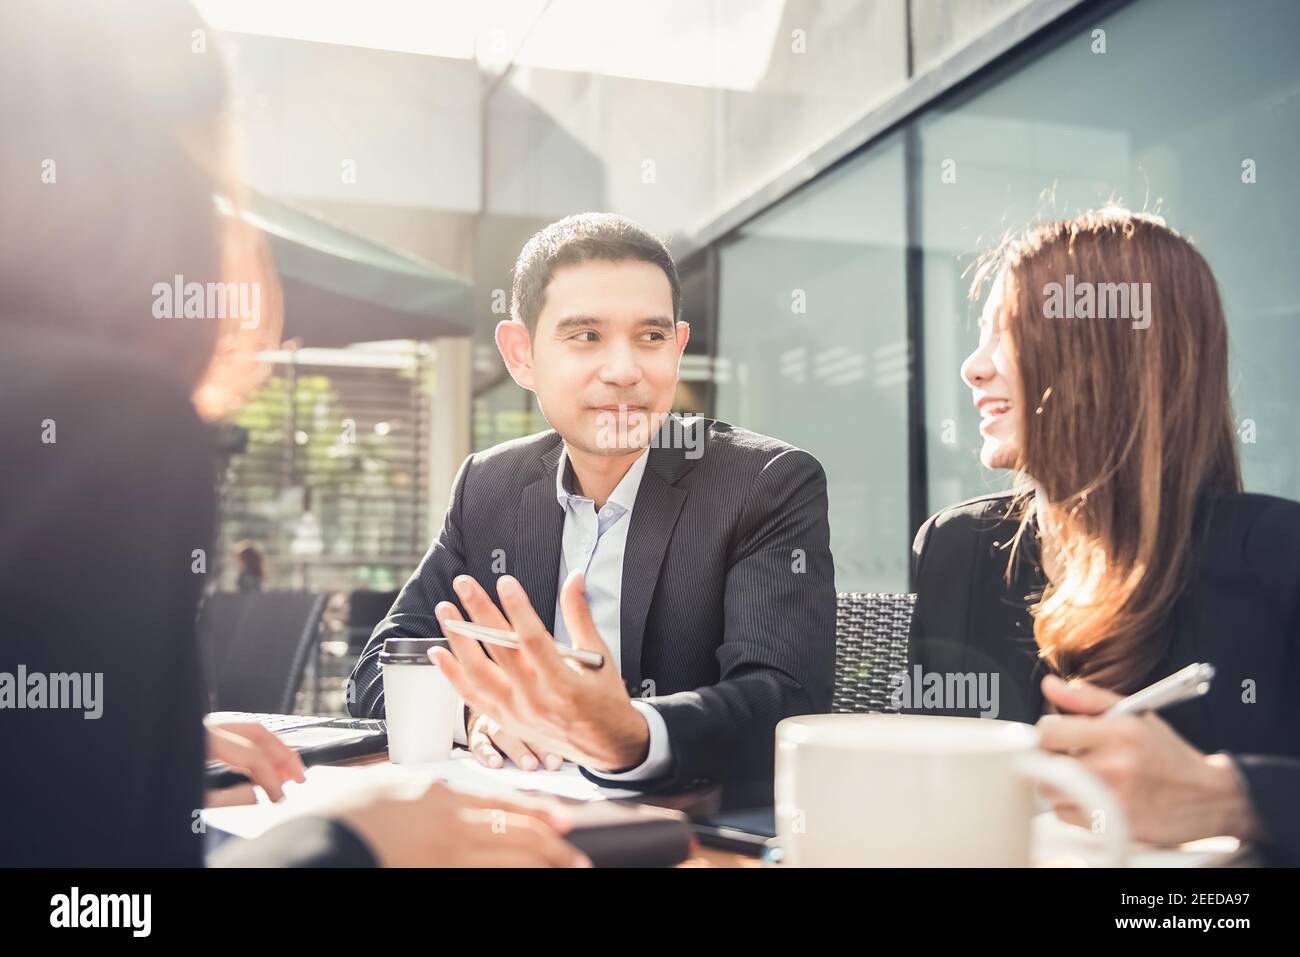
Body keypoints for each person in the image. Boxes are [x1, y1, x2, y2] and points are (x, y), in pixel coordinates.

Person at [0, 0, 585, 868]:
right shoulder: (100, 416)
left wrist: (141, 743)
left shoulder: (761, 484)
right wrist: (347, 840)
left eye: (649, 335)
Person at [349, 213, 836, 808]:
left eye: (652, 338)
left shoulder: (765, 483)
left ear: (678, 349)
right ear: (521, 354)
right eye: (586, 336)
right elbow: (387, 658)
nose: (625, 370)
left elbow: (784, 702)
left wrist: (628, 735)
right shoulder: (489, 485)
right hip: (507, 820)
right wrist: (480, 711)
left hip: (675, 833)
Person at [908, 208, 1300, 862]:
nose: (973, 368)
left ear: (1107, 350)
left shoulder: (1278, 555)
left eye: (1007, 333)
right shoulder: (957, 548)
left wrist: (1229, 794)